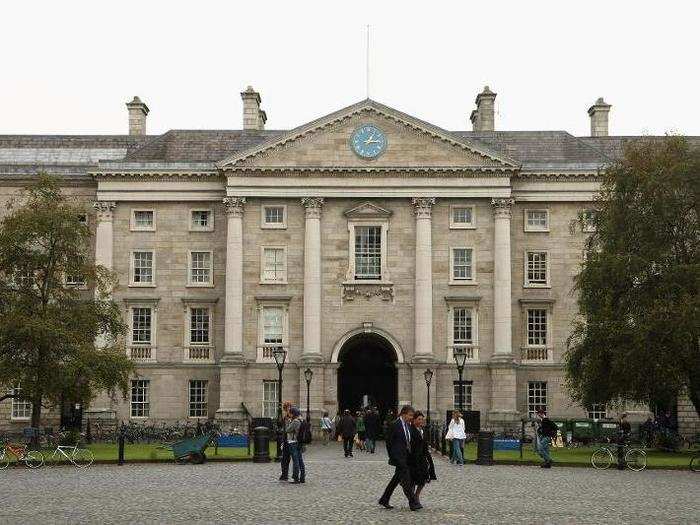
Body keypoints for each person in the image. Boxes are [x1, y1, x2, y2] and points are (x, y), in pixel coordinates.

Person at [379, 405, 421, 511]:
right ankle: (413, 502)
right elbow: (389, 442)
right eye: (410, 415)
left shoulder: (408, 425)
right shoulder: (395, 425)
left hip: (406, 457)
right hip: (398, 458)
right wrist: (393, 457)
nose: (412, 417)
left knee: (395, 480)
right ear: (403, 414)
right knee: (406, 480)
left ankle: (384, 499)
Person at [408, 411, 436, 507]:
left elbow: (425, 444)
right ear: (414, 420)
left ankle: (416, 496)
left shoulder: (423, 430)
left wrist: (428, 458)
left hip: (422, 457)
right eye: (419, 419)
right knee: (412, 480)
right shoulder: (410, 430)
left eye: (422, 419)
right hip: (412, 458)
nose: (421, 421)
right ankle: (412, 499)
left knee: (424, 478)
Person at [285, 407, 305, 483]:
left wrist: (289, 422)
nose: (289, 414)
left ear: (293, 413)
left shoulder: (295, 421)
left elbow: (287, 430)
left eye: (290, 413)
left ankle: (296, 477)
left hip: (293, 442)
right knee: (300, 460)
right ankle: (302, 477)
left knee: (296, 460)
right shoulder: (301, 420)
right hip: (299, 442)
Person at [279, 400, 292, 481]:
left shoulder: (291, 417)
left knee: (290, 458)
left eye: (287, 408)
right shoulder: (286, 417)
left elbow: (287, 429)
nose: (286, 410)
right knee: (285, 459)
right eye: (286, 408)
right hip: (286, 440)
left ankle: (287, 475)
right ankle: (284, 474)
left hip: (290, 440)